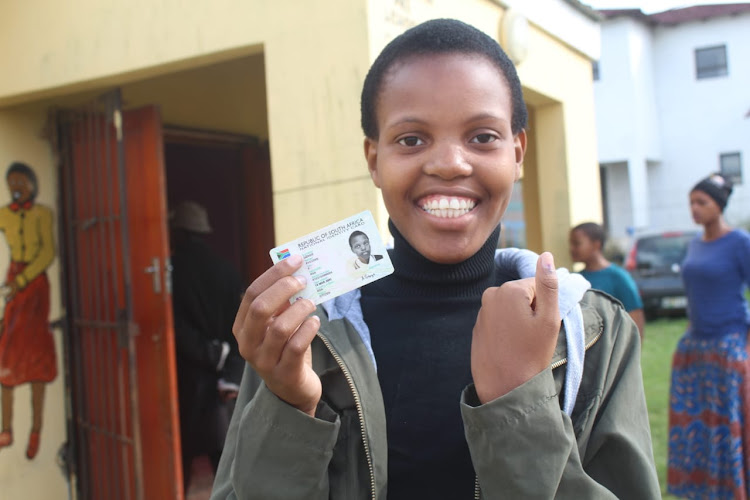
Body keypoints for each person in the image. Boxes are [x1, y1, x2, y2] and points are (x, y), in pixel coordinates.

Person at [212, 19, 659, 499]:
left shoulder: (593, 332)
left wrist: (519, 401)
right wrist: (291, 408)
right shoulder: (303, 332)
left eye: (483, 136)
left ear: (518, 151)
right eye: (411, 139)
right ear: (373, 159)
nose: (449, 163)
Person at [668, 173, 750, 499]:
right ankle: (703, 488)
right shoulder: (694, 244)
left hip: (728, 345)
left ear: (720, 205)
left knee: (727, 423)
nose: (695, 209)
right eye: (691, 203)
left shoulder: (739, 243)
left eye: (702, 202)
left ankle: (733, 488)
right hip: (695, 347)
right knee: (699, 423)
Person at [169, 200, 244, 490]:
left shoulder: (173, 270)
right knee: (223, 458)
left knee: (181, 457)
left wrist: (208, 353)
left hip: (186, 375)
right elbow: (239, 320)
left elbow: (174, 327)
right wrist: (230, 361)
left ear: (179, 232)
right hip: (224, 377)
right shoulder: (226, 270)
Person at [0, 162, 57, 460]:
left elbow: (47, 252)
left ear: (32, 183)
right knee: (6, 357)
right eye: (12, 183)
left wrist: (20, 281)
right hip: (13, 286)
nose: (16, 187)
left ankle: (35, 430)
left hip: (33, 289)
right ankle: (6, 427)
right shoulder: (4, 215)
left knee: (37, 363)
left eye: (21, 181)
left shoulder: (42, 214)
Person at [569, 222, 646, 339]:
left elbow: (635, 318)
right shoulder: (575, 279)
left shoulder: (618, 277)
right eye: (571, 244)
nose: (571, 249)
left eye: (577, 244)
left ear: (596, 245)